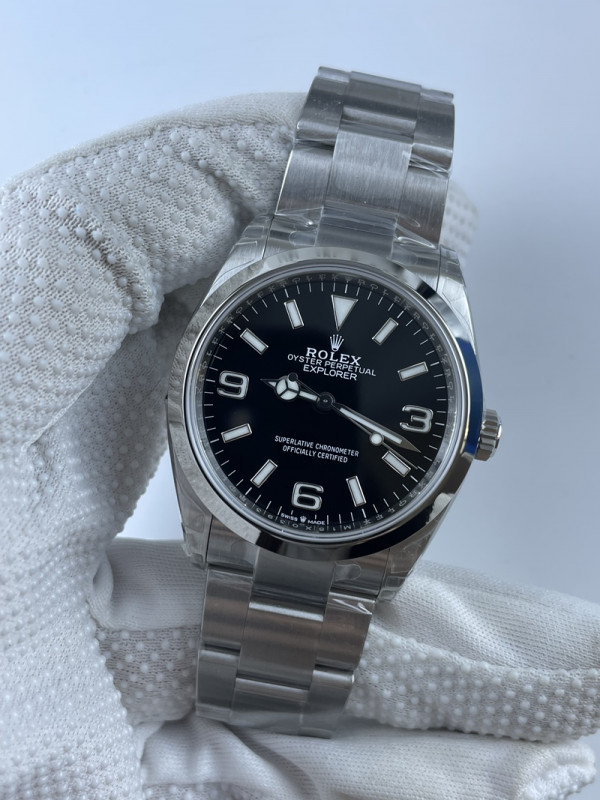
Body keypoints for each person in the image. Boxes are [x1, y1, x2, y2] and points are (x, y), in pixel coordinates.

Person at [0, 90, 598, 800]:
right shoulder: (241, 315)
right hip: (241, 514)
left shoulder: (423, 353)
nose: (324, 401)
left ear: (471, 432)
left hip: (317, 515)